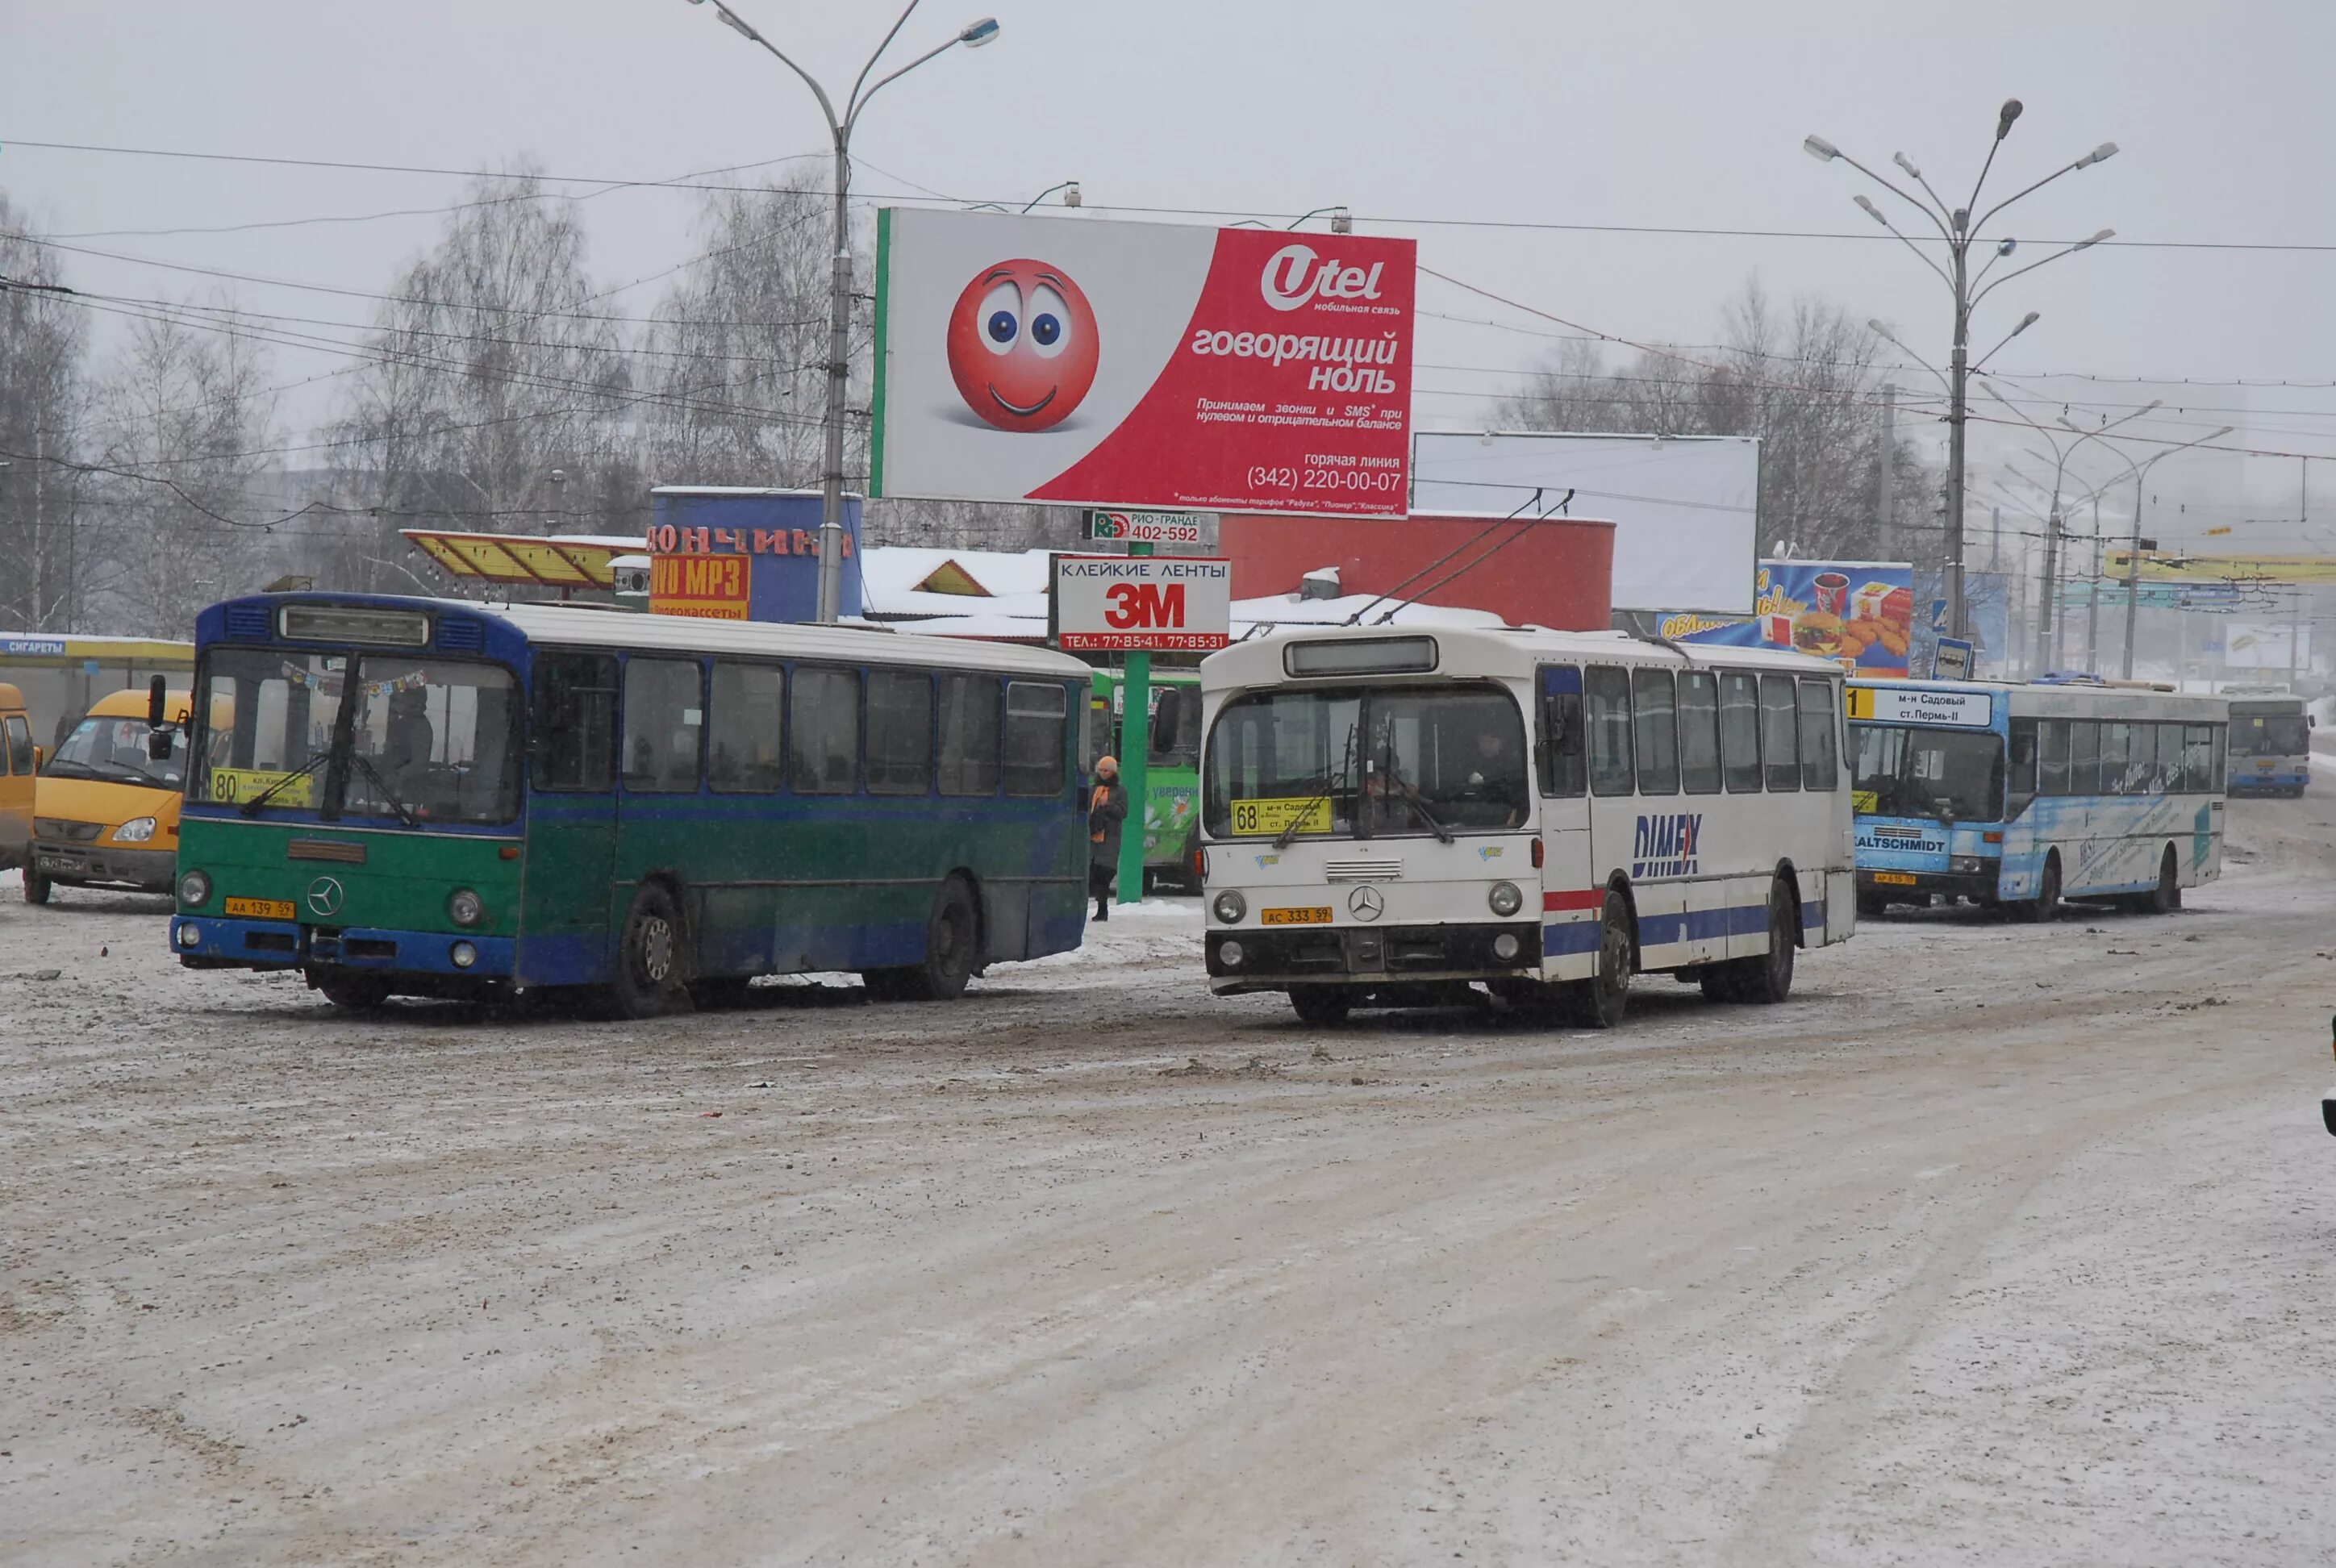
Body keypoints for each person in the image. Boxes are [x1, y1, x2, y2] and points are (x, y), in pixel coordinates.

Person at [1087, 754, 1128, 922]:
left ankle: (1102, 909)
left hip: (1110, 838)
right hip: (1092, 837)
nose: (1103, 773)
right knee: (1092, 874)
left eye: (1107, 771)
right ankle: (1095, 909)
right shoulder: (1092, 789)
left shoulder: (1120, 791)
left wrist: (1108, 805)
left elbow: (1123, 812)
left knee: (1105, 873)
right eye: (1101, 770)